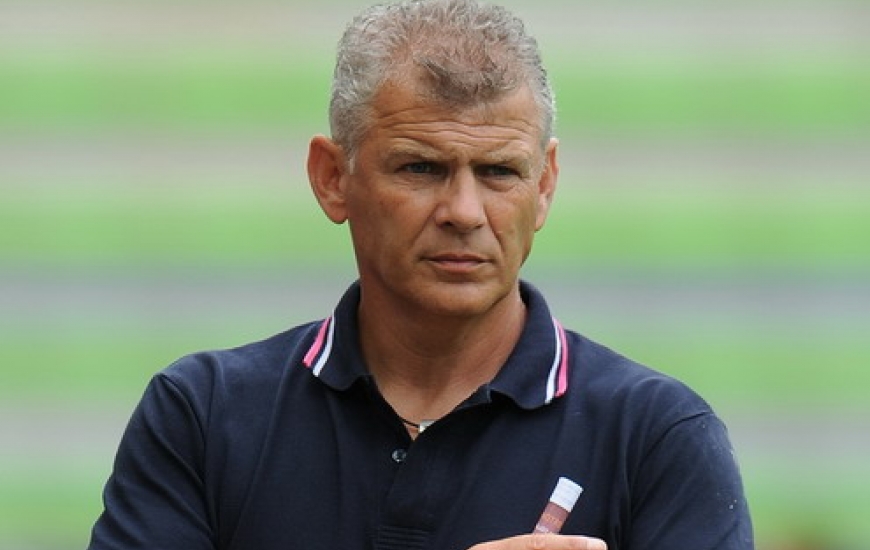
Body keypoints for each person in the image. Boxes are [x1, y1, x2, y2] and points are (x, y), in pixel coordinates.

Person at [87, 0, 754, 549]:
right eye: (420, 168)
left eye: (499, 172)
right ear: (332, 178)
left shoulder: (657, 436)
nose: (464, 211)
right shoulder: (204, 415)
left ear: (545, 186)